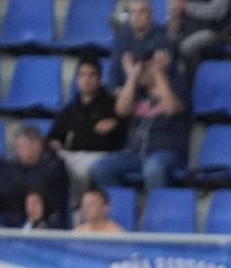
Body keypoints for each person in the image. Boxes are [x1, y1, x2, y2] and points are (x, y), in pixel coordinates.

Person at [90, 49, 191, 190]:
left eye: (144, 67)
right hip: (135, 153)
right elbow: (121, 110)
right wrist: (132, 77)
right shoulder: (137, 91)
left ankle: (154, 210)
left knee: (153, 168)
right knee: (100, 168)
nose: (140, 70)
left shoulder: (176, 85)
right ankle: (123, 206)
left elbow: (171, 108)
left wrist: (159, 74)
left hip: (167, 153)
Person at [48, 57, 125, 189]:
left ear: (100, 79)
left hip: (99, 156)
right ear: (77, 79)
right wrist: (54, 143)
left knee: (83, 169)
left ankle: (81, 207)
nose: (86, 80)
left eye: (92, 75)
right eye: (82, 75)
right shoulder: (69, 110)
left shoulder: (112, 106)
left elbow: (120, 137)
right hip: (71, 155)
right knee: (50, 164)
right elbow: (53, 137)